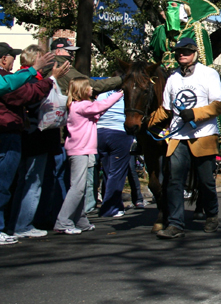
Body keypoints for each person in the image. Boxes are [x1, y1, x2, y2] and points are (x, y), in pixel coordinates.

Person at [147, 37, 221, 239]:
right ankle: (175, 224)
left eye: (186, 51)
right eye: (178, 52)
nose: (182, 54)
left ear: (195, 54)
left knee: (206, 181)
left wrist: (195, 114)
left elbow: (219, 105)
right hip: (178, 137)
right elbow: (166, 109)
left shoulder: (209, 74)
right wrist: (146, 123)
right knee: (174, 181)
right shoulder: (173, 78)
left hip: (203, 135)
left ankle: (212, 215)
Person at [0, 44, 67, 245]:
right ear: (4, 59)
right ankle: (15, 225)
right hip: (8, 134)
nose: (14, 60)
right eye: (12, 56)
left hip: (16, 133)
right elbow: (22, 93)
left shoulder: (14, 76)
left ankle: (14, 225)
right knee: (9, 183)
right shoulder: (10, 77)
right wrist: (44, 76)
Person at [54, 78, 123, 234]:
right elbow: (100, 106)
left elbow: (97, 111)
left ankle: (80, 219)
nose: (92, 88)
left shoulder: (77, 106)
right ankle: (63, 222)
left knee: (81, 188)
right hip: (80, 150)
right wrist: (119, 93)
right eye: (89, 86)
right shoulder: (81, 106)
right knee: (77, 188)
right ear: (82, 90)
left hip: (81, 149)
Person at [96, 88, 132, 218]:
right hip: (119, 131)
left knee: (108, 171)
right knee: (117, 172)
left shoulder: (102, 94)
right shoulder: (126, 95)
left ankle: (116, 205)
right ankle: (109, 208)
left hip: (99, 131)